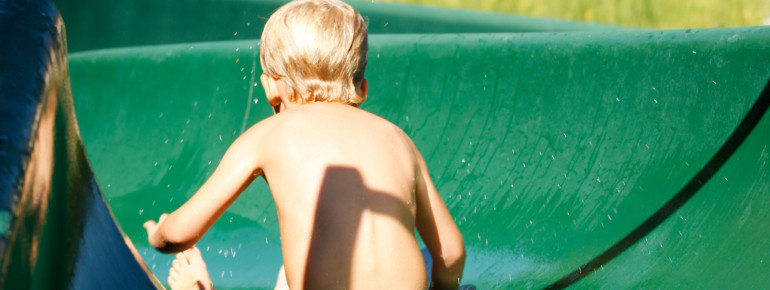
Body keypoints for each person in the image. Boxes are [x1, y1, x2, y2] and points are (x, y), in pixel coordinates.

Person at [143, 0, 465, 289]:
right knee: (290, 273)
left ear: (270, 87)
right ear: (363, 88)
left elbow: (180, 234)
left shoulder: (269, 133)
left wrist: (159, 233)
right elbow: (450, 254)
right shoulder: (398, 138)